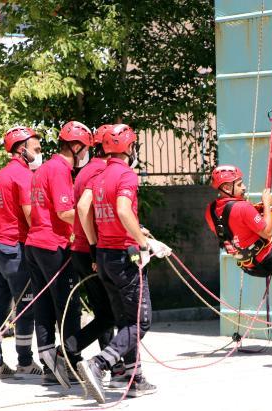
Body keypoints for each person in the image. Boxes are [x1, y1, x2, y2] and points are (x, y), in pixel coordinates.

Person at [76, 124, 171, 403]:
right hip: (124, 255)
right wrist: (143, 243)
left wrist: (94, 247)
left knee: (124, 321)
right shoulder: (126, 175)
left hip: (104, 255)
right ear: (129, 148)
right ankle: (100, 363)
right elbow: (121, 209)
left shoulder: (100, 174)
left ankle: (135, 378)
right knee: (140, 322)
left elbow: (83, 209)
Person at [25, 121, 92, 388]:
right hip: (53, 245)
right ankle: (71, 361)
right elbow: (65, 212)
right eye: (85, 148)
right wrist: (94, 217)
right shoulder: (60, 170)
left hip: (35, 244)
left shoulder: (44, 169)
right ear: (76, 147)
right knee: (67, 306)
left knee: (44, 307)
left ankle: (49, 366)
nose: (86, 153)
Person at [204, 165, 272, 302]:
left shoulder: (210, 210)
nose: (244, 187)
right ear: (226, 188)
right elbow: (267, 233)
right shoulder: (243, 207)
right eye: (239, 184)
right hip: (267, 257)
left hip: (247, 264)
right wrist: (267, 205)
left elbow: (234, 229)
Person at [0, 126, 43, 380]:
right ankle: (25, 362)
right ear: (22, 150)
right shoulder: (22, 176)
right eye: (36, 149)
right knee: (25, 305)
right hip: (13, 249)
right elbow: (31, 215)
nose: (39, 153)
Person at [70, 124, 115, 353]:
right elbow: (84, 207)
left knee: (105, 312)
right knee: (111, 313)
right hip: (90, 251)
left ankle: (114, 364)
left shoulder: (87, 169)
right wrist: (95, 247)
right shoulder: (100, 171)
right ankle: (66, 352)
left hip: (82, 248)